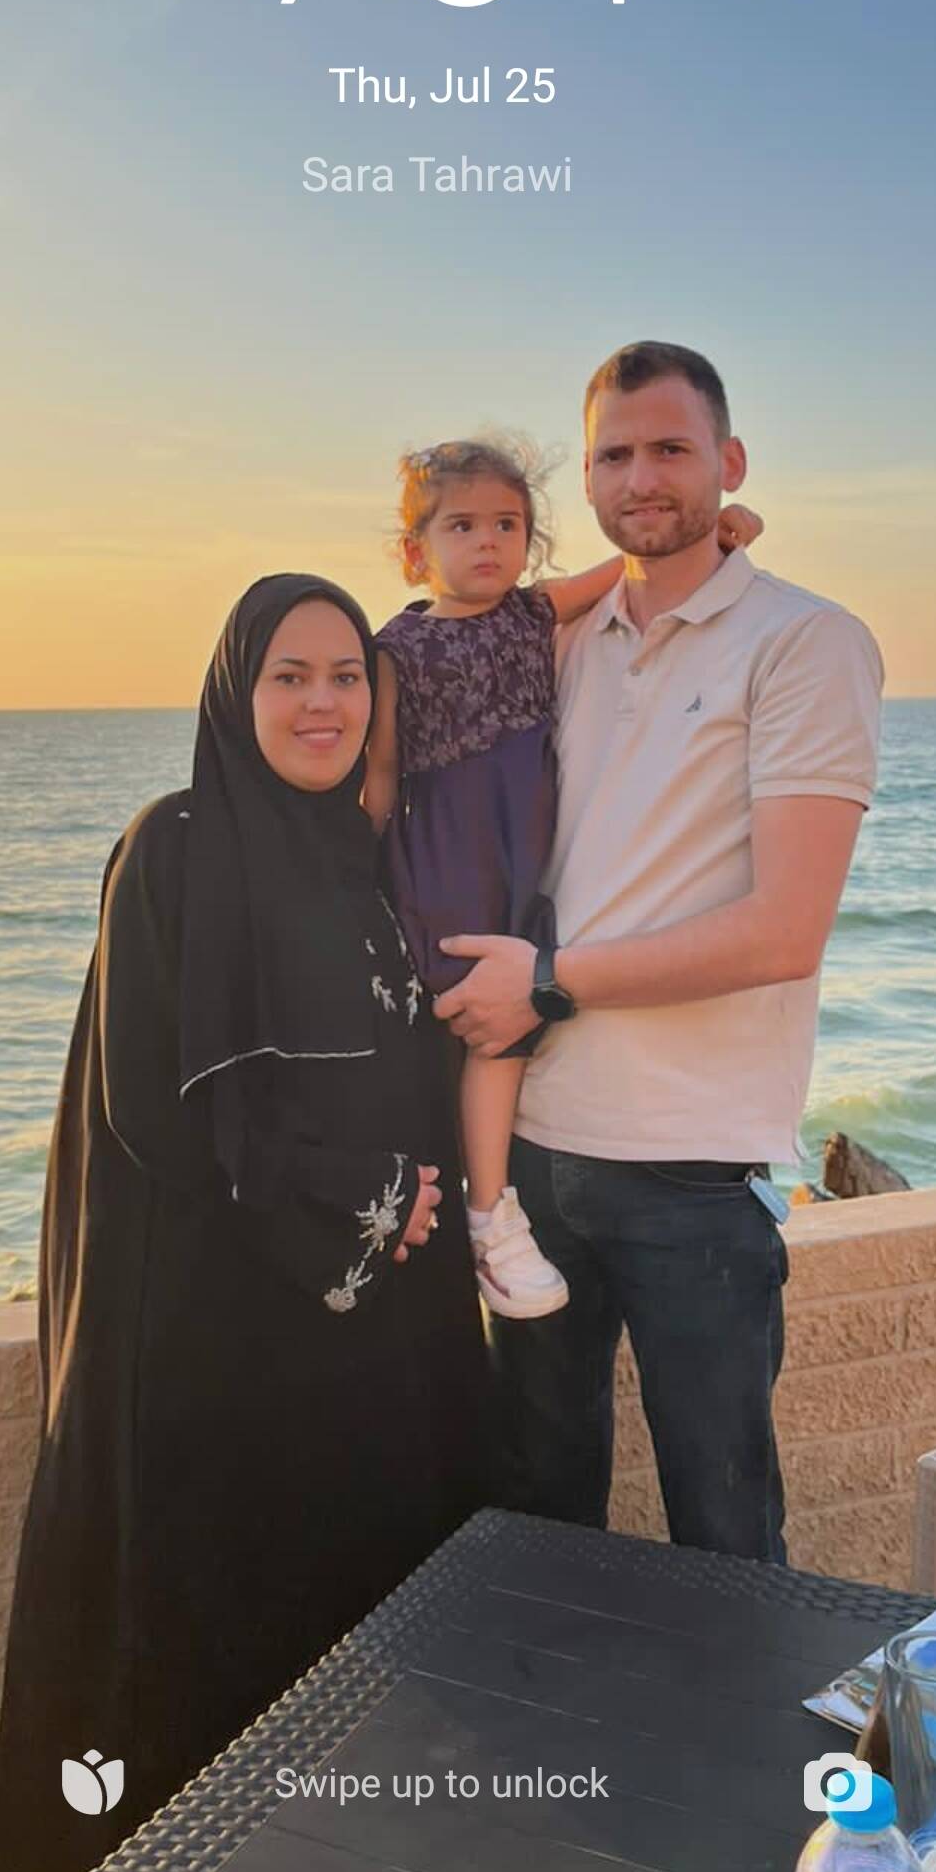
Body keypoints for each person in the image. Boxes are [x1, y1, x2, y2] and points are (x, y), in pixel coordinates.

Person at [0, 575, 486, 1872]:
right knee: (203, 1679)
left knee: (345, 1683)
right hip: (214, 1354)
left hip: (352, 1355)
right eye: (289, 676)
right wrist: (368, 1196)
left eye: (347, 676)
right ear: (234, 693)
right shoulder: (176, 847)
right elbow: (155, 1106)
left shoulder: (358, 866)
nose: (323, 703)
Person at [434, 344, 883, 1563]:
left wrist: (546, 982)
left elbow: (786, 931)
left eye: (672, 449)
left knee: (725, 1537)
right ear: (587, 477)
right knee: (540, 1522)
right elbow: (445, 642)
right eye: (616, 454)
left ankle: (740, 1707)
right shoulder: (561, 646)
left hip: (692, 1170)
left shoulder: (806, 642)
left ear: (728, 462)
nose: (642, 477)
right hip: (529, 1157)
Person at [364, 435, 762, 1322]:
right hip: (451, 865)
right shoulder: (396, 649)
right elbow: (381, 775)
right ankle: (489, 1217)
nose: (489, 541)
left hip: (522, 864)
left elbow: (631, 570)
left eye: (508, 524)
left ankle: (471, 1212)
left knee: (504, 1030)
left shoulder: (533, 613)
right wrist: (362, 875)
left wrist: (722, 529)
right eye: (462, 526)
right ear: (415, 550)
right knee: (489, 1039)